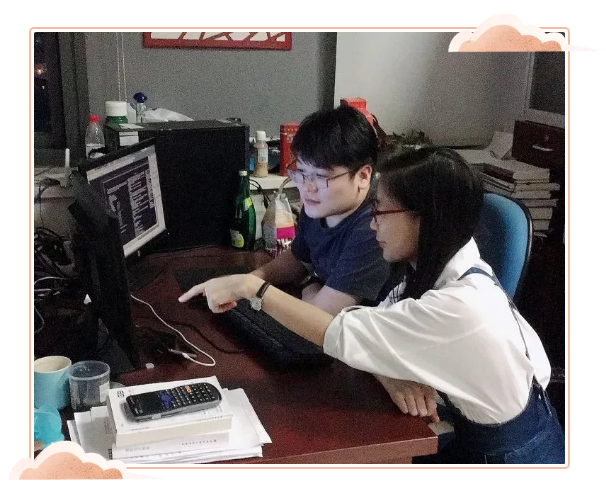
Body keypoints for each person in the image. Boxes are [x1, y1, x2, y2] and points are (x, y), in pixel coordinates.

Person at [179, 147, 565, 464]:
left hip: (509, 457)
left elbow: (339, 332)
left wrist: (254, 288)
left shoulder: (458, 306)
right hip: (476, 430)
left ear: (425, 219)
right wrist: (388, 372)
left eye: (380, 211)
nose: (372, 223)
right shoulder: (447, 260)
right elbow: (374, 327)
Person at [249, 105, 391, 315]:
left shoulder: (375, 226)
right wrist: (250, 280)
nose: (307, 187)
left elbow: (319, 315)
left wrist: (308, 285)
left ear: (363, 176)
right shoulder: (319, 206)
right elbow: (298, 259)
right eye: (302, 173)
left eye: (321, 177)